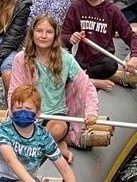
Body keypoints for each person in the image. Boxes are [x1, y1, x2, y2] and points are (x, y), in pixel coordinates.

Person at [8, 14, 98, 164]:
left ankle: (33, 151)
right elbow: (13, 92)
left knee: (56, 129)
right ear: (32, 33)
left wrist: (91, 111)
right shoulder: (21, 58)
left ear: (55, 35)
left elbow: (86, 86)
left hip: (56, 114)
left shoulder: (66, 58)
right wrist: (15, 114)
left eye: (49, 32)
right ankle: (56, 146)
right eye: (39, 31)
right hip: (28, 112)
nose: (43, 36)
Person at [61, 0, 137, 92]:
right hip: (79, 57)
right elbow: (63, 35)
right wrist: (71, 38)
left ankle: (80, 78)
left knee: (111, 65)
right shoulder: (76, 7)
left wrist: (134, 56)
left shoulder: (112, 10)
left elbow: (131, 36)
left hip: (100, 60)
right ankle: (89, 80)